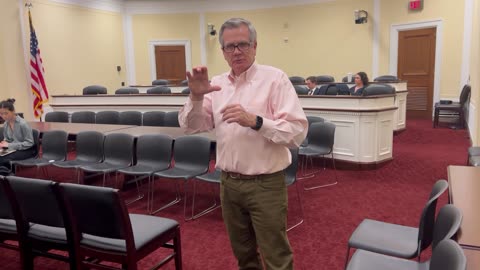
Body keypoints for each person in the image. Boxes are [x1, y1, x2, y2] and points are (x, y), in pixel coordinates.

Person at [179, 18, 307, 270]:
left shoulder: (275, 80)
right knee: (244, 255)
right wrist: (195, 96)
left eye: (242, 44)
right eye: (230, 47)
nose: (236, 51)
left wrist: (257, 122)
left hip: (266, 185)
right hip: (229, 183)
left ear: (255, 46)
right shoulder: (215, 85)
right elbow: (191, 125)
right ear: (223, 52)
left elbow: (297, 133)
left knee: (276, 256)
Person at [0, 99, 36, 169]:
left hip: (26, 150)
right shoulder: (5, 124)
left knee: (3, 158)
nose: (4, 116)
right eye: (1, 114)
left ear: (13, 111)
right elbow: (8, 139)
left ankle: (6, 175)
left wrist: (9, 145)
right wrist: (3, 143)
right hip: (13, 149)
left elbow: (29, 143)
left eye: (6, 113)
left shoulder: (22, 124)